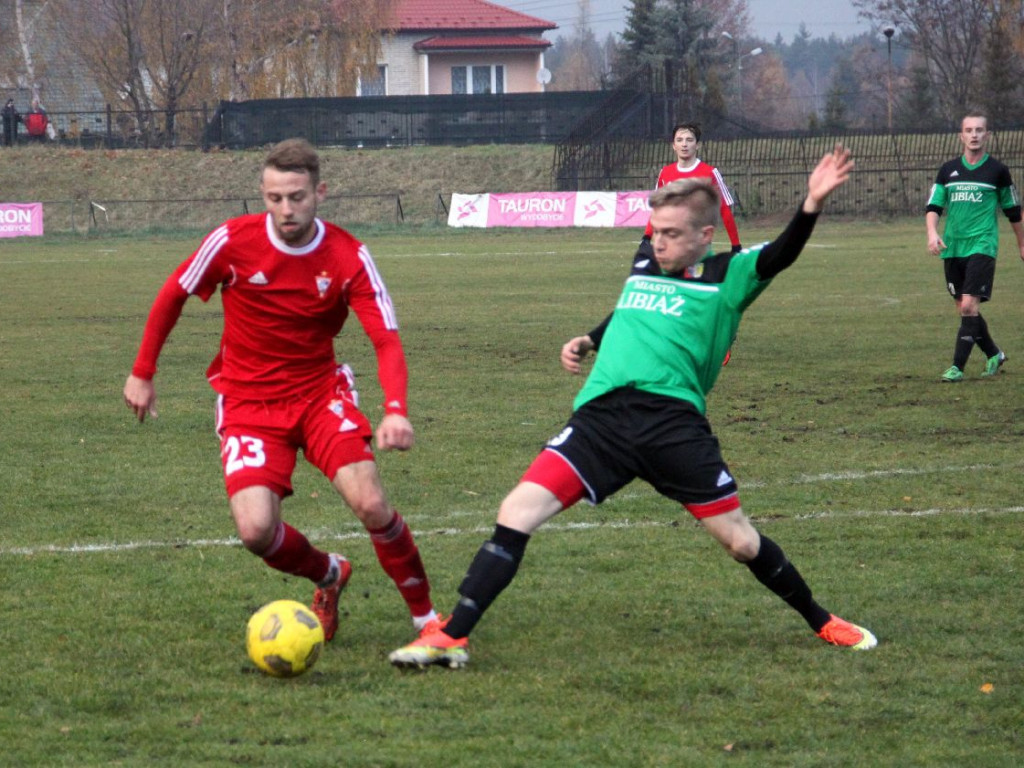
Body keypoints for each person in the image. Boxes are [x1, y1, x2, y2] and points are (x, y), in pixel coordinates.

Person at [389, 145, 877, 670]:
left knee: (739, 541)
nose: (657, 241)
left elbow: (783, 252)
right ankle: (452, 638)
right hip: (600, 423)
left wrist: (810, 205)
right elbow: (630, 308)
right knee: (516, 512)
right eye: (654, 230)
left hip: (673, 428)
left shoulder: (729, 276)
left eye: (670, 233)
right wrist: (589, 338)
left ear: (703, 236)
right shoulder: (645, 260)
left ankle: (821, 619)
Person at [124, 138, 439, 644]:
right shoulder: (231, 241)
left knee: (372, 503)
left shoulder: (348, 254)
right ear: (262, 196)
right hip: (248, 404)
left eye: (296, 196)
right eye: (274, 198)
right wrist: (143, 371)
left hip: (320, 395)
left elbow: (386, 337)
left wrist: (396, 410)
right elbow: (174, 292)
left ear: (320, 193)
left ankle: (427, 621)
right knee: (255, 532)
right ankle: (329, 573)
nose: (285, 209)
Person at [926, 112, 1024, 382]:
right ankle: (994, 353)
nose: (974, 134)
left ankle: (957, 367)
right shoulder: (948, 171)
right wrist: (932, 233)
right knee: (965, 308)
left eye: (979, 130)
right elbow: (934, 206)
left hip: (982, 245)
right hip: (953, 247)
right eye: (969, 130)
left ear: (987, 135)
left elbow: (1013, 211)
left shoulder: (997, 171)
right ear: (961, 135)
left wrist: (1021, 244)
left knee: (969, 306)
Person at [640, 122, 742, 257]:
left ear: (697, 145)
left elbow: (724, 209)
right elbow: (658, 209)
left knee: (698, 277)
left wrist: (735, 245)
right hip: (671, 244)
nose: (684, 144)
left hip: (699, 245)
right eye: (679, 140)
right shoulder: (665, 173)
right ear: (673, 146)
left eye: (689, 140)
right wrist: (647, 237)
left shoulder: (710, 173)